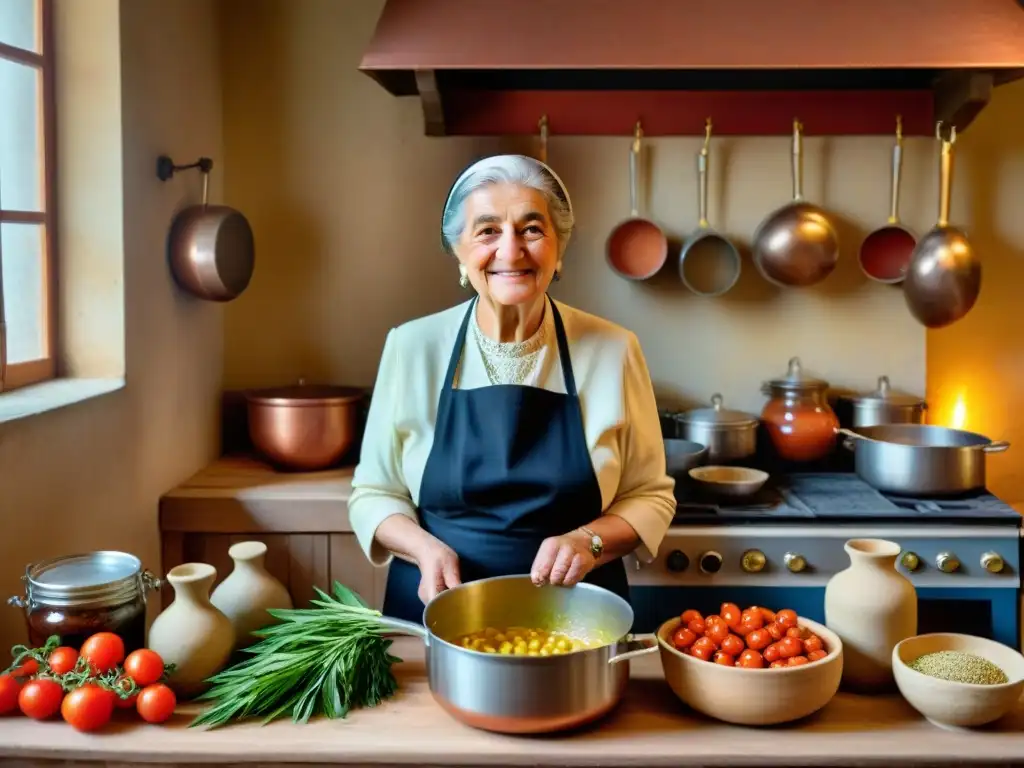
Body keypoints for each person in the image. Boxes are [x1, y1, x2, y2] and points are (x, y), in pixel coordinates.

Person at [348, 153, 675, 622]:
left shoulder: (614, 349)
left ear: (558, 249)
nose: (510, 249)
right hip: (435, 610)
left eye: (532, 229)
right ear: (459, 251)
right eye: (487, 231)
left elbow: (650, 494)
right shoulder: (411, 346)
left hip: (579, 616)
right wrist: (422, 549)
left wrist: (590, 541)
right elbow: (374, 493)